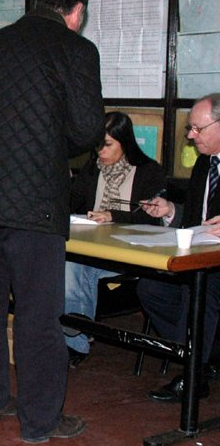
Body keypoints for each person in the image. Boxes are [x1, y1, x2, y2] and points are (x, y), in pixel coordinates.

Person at [0, 0, 104, 443]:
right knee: (39, 317)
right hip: (35, 206)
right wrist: (46, 147)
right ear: (76, 12)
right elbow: (86, 130)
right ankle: (40, 422)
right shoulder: (76, 49)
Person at [64, 112, 166, 367]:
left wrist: (113, 215)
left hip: (129, 253)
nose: (101, 152)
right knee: (69, 263)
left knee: (75, 267)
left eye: (108, 145)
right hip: (93, 249)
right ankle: (76, 337)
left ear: (125, 142)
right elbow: (70, 203)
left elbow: (154, 220)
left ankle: (75, 339)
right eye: (98, 145)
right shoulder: (92, 170)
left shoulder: (148, 172)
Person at [138, 93, 220, 403]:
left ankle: (194, 372)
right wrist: (170, 210)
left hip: (214, 267)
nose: (190, 136)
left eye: (198, 129)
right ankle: (201, 355)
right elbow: (198, 217)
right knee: (151, 288)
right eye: (190, 128)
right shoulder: (204, 164)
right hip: (201, 258)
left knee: (201, 289)